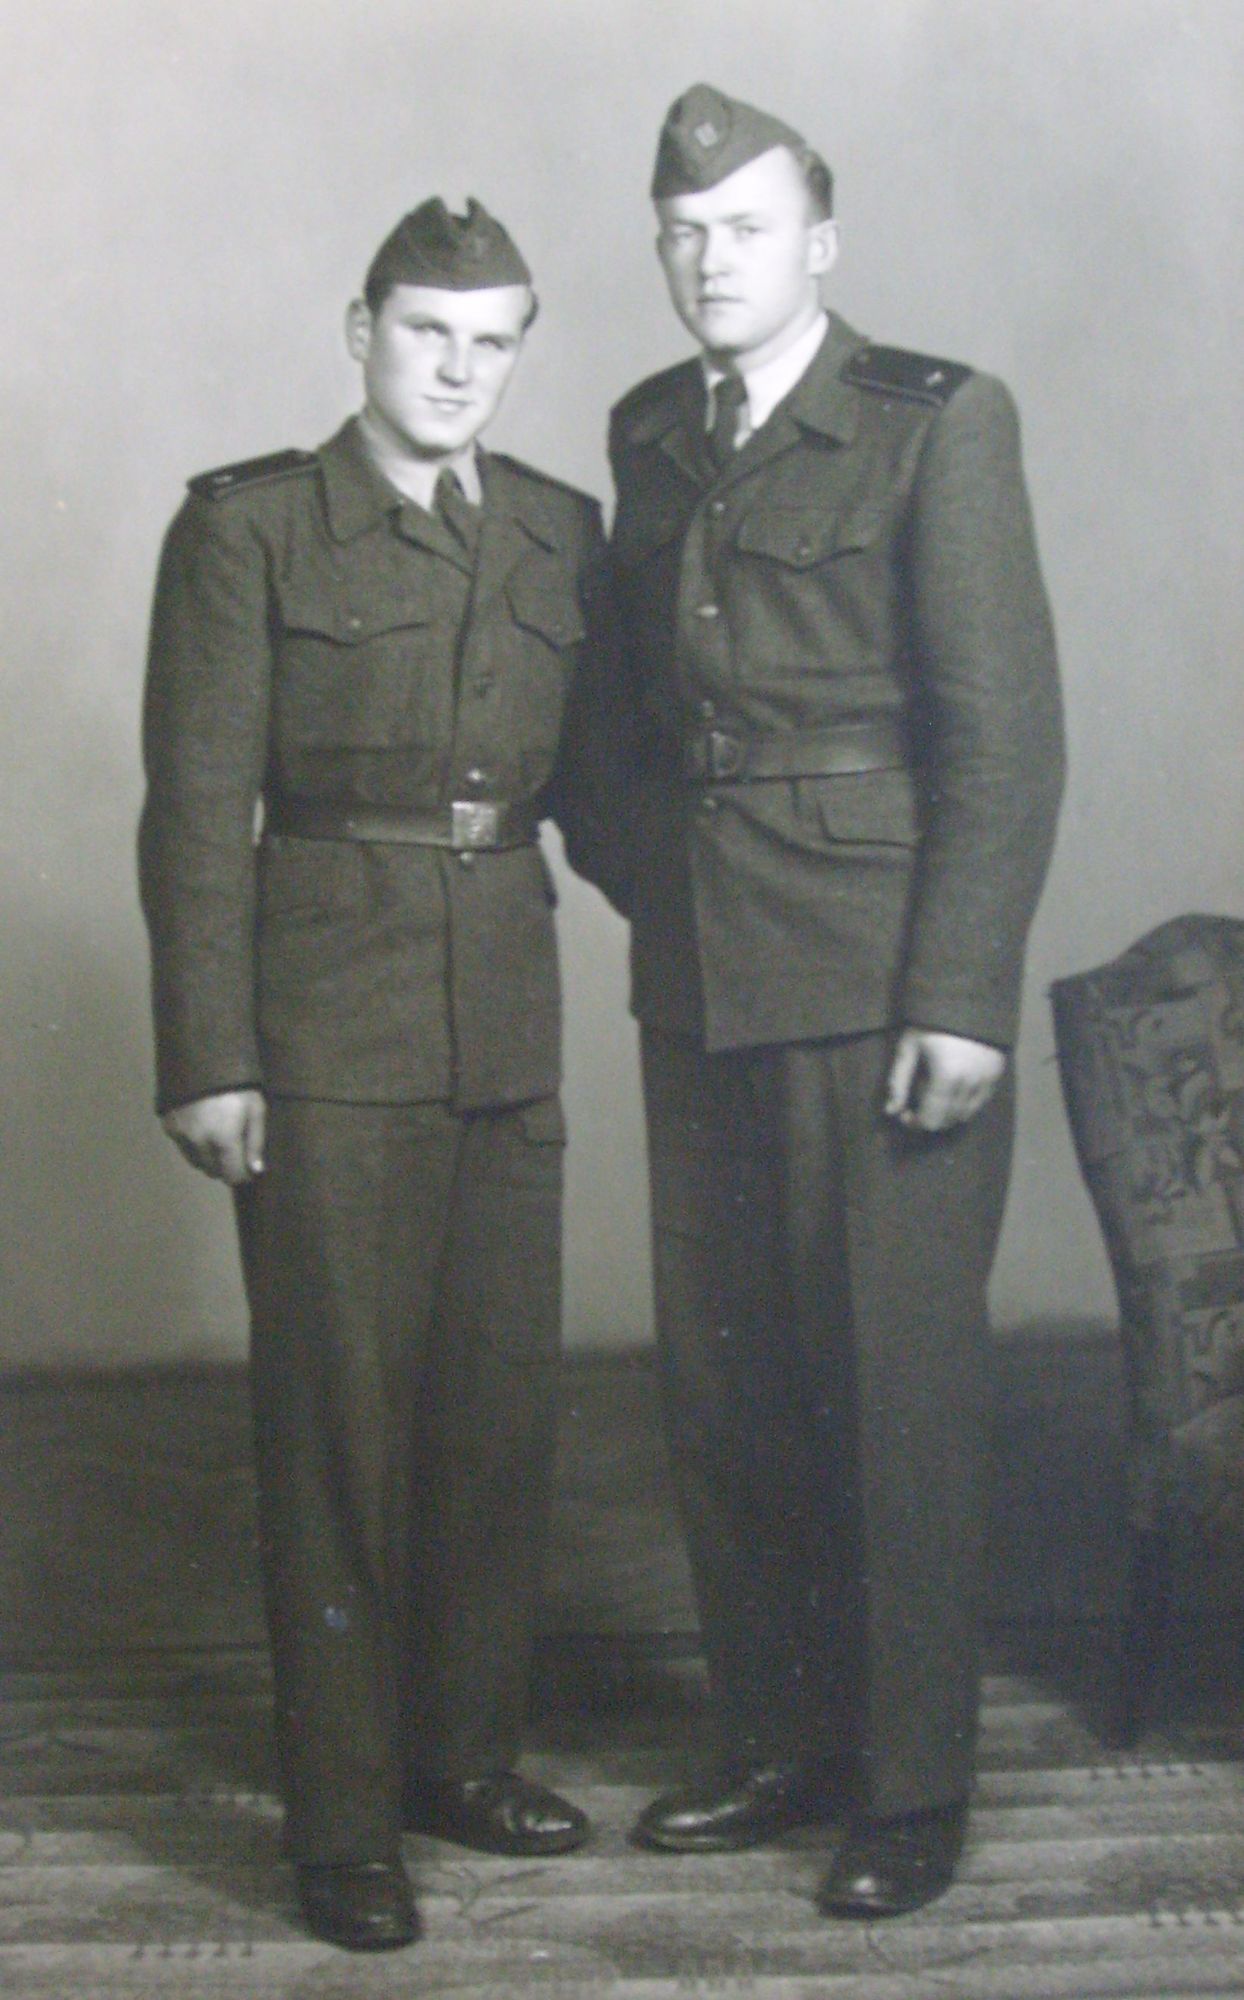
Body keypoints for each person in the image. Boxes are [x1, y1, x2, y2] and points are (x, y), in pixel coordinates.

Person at [138, 198, 626, 1952]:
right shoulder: (252, 528)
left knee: (496, 1418)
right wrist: (210, 1054)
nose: (457, 370)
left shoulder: (558, 531)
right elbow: (197, 811)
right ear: (361, 332)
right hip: (325, 1031)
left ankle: (461, 1759)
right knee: (340, 1431)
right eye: (427, 332)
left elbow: (604, 793)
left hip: (504, 1020)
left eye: (491, 343)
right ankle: (344, 1822)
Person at [606, 85, 1065, 1917]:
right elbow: (630, 725)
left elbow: (1005, 738)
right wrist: (660, 890)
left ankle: (908, 1785)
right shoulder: (653, 429)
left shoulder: (934, 421)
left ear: (823, 244)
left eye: (747, 228)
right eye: (684, 231)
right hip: (704, 979)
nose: (711, 259)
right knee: (731, 1391)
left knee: (892, 1392)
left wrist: (961, 995)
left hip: (882, 983)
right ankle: (777, 1741)